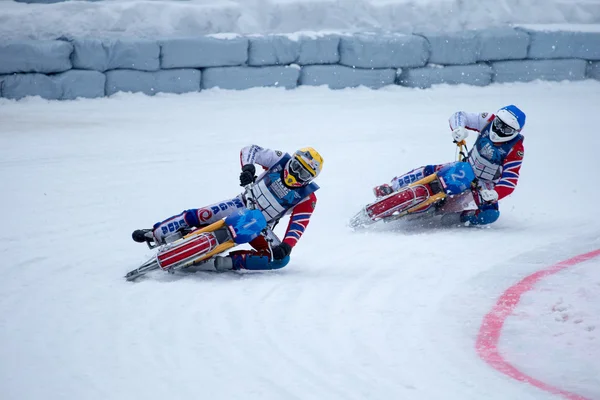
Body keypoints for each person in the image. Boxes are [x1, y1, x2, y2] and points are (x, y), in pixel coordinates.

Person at [132, 145, 323, 271]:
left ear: (310, 179)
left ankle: (225, 263)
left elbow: (298, 224)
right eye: (296, 167)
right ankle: (155, 233)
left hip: (260, 226)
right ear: (292, 160)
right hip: (240, 203)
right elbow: (251, 150)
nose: (295, 175)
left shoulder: (308, 197)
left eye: (303, 174)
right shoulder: (279, 159)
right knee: (199, 214)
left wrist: (287, 246)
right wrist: (248, 168)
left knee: (280, 261)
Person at [372, 105, 526, 225]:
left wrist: (496, 193)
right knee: (430, 170)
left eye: (505, 128)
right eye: (499, 123)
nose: (498, 128)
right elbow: (460, 115)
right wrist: (458, 128)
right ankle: (392, 187)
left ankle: (454, 219)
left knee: (490, 215)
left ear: (515, 131)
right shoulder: (488, 120)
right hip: (467, 166)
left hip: (485, 183)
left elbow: (510, 179)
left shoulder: (516, 149)